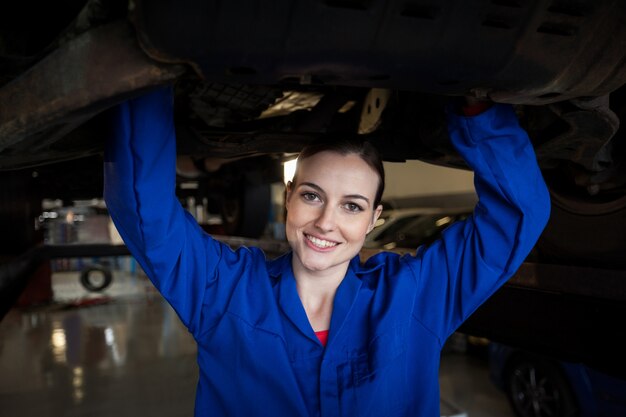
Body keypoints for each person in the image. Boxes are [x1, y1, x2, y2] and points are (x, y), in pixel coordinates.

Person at [103, 86, 550, 417]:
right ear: (288, 196)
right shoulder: (224, 290)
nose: (326, 223)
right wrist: (148, 81)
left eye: (351, 206)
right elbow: (145, 211)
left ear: (373, 218)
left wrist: (477, 107)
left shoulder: (416, 295)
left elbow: (517, 214)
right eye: (312, 196)